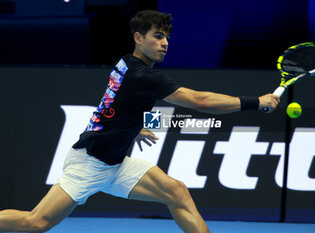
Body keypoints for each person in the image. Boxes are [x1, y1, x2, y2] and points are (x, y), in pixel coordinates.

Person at [0, 10, 279, 233]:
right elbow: (200, 101)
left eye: (167, 37)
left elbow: (118, 103)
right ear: (138, 37)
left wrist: (136, 126)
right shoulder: (145, 76)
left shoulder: (127, 65)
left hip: (116, 162)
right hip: (89, 163)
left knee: (177, 191)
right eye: (157, 36)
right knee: (35, 223)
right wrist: (257, 102)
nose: (165, 43)